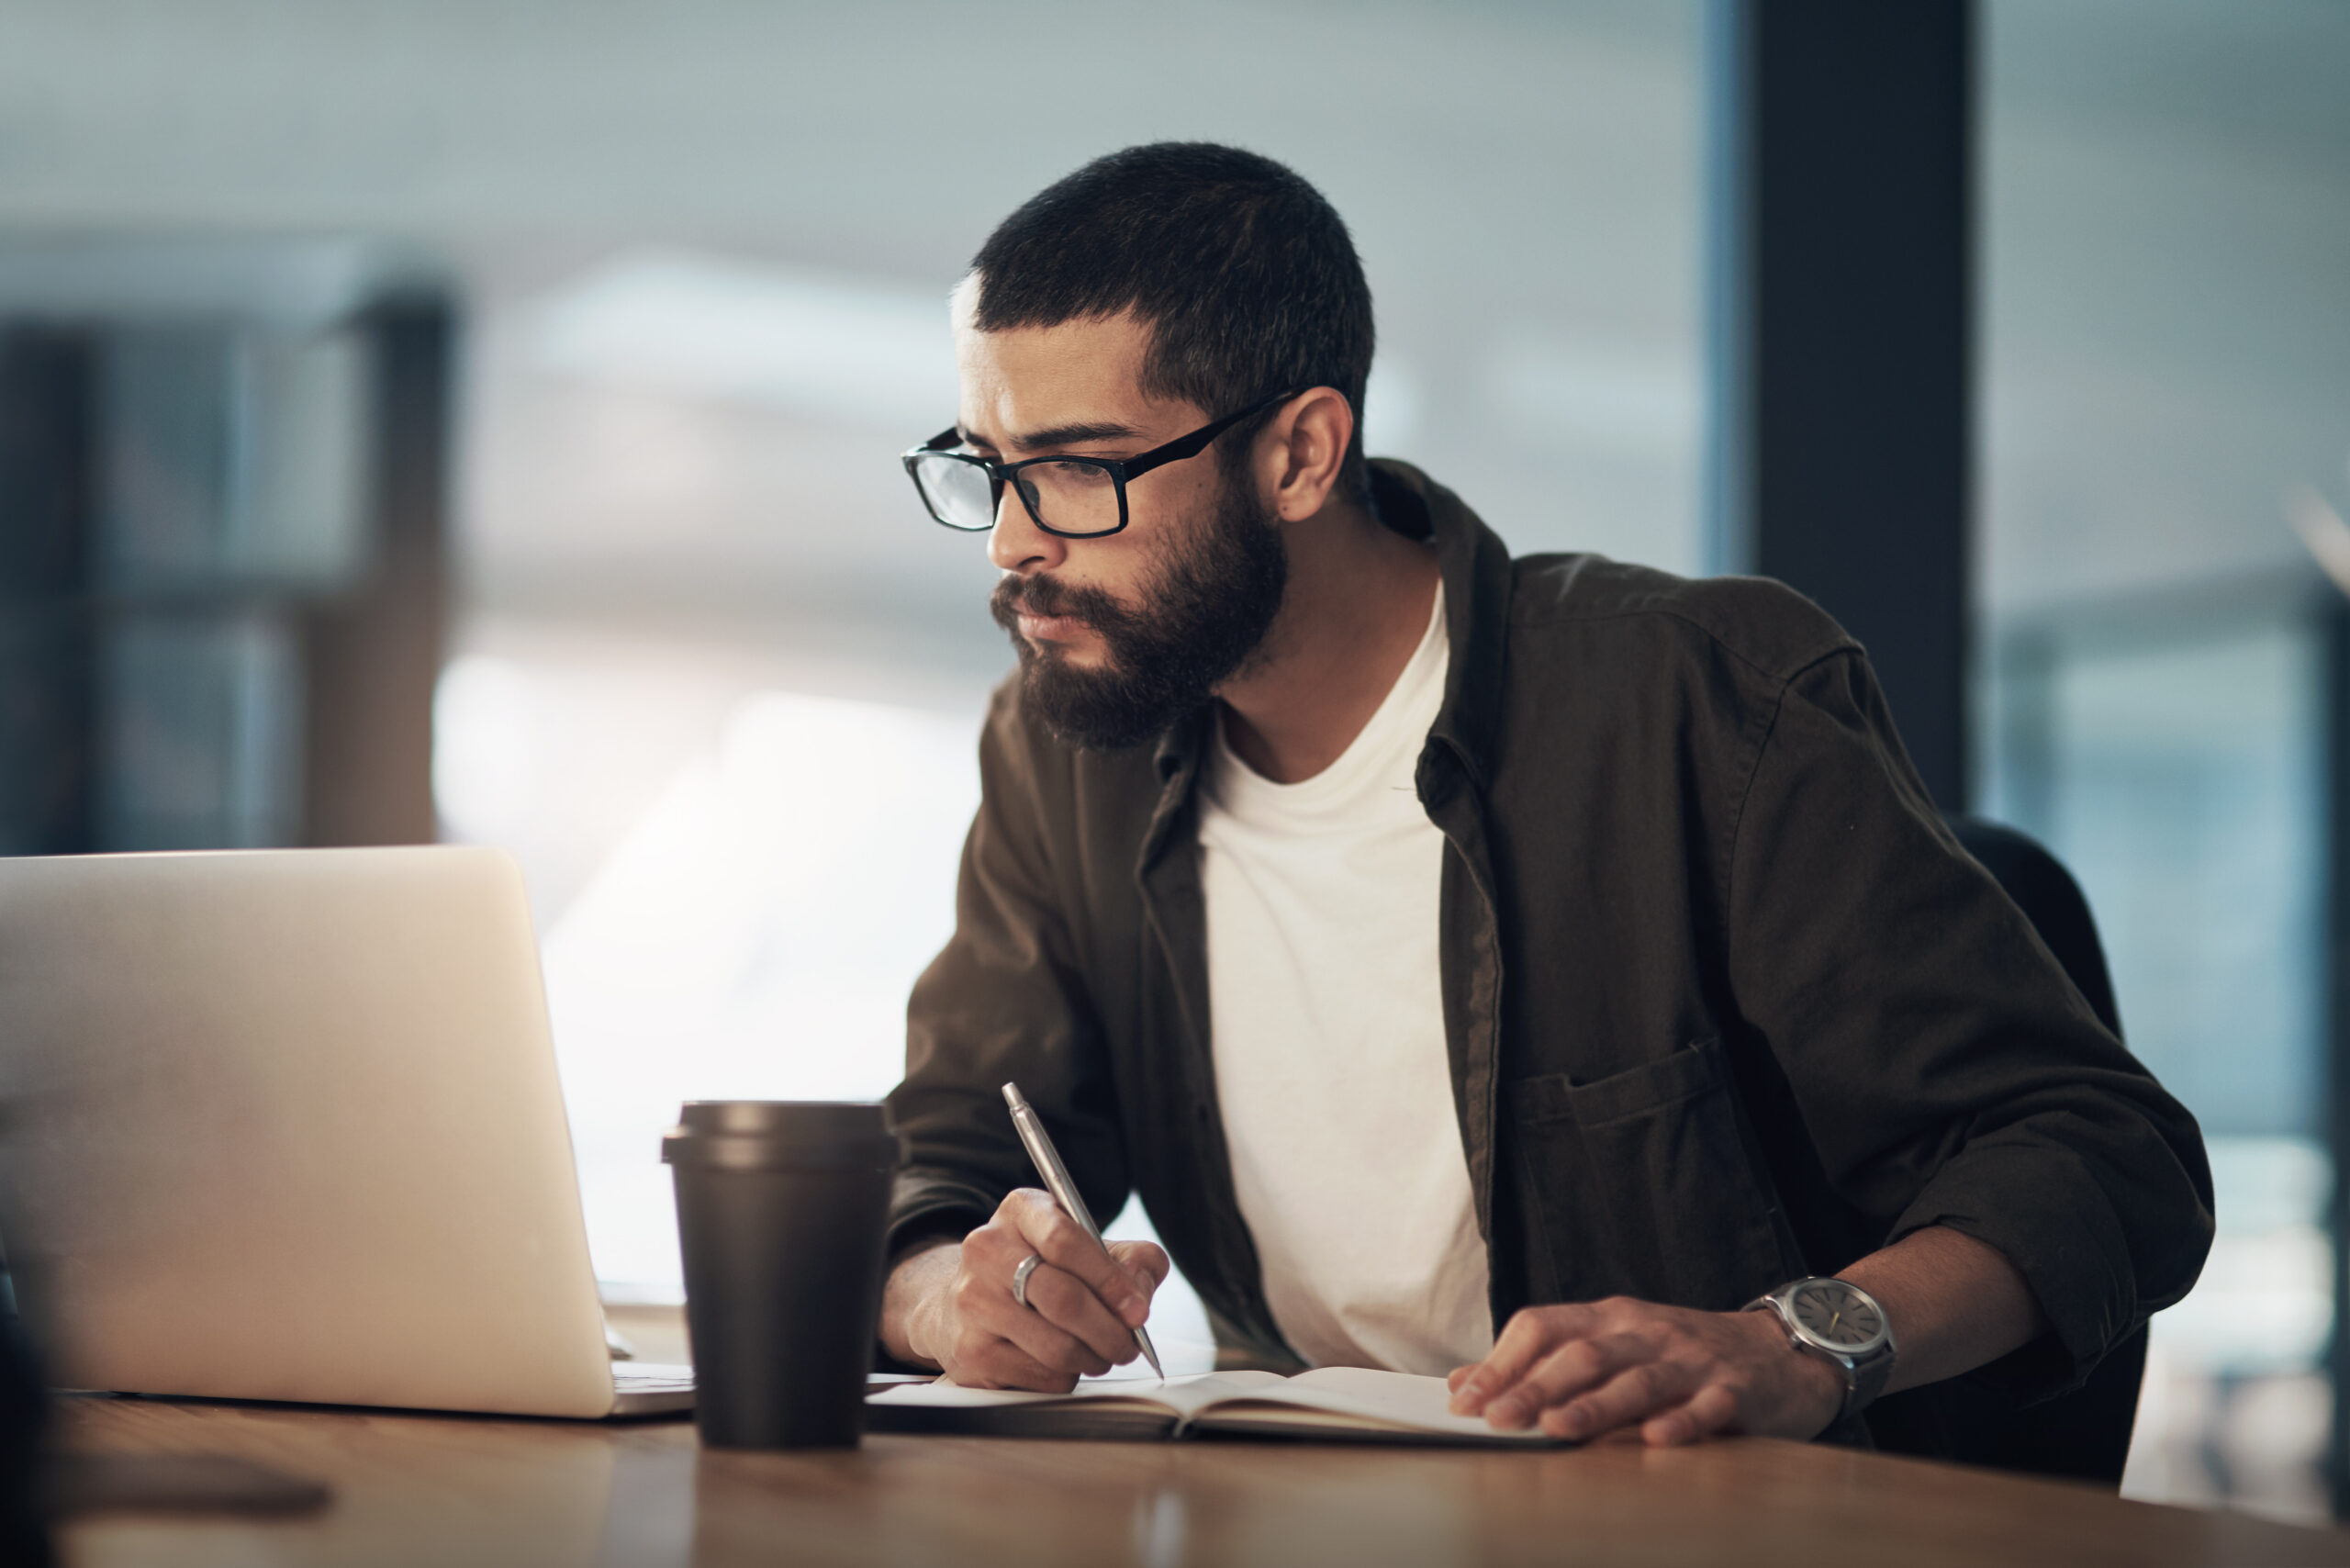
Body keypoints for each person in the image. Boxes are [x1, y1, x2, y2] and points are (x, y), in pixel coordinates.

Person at [878, 141, 2212, 1450]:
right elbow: (937, 1153)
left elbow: (2104, 1157)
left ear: (1298, 455)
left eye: (1074, 471)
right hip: (1286, 1497)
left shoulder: (1701, 700)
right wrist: (947, 1292)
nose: (1009, 541)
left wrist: (1792, 1344)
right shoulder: (1064, 753)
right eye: (987, 466)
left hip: (1683, 1526)